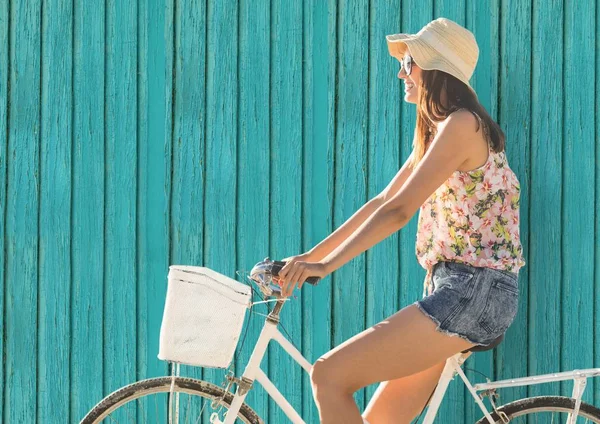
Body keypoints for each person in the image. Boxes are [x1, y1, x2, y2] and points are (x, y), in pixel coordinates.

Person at [277, 17, 525, 424]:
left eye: (409, 62)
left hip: (473, 291)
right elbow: (383, 200)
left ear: (436, 69)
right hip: (457, 289)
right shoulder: (441, 130)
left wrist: (323, 266)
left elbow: (399, 211)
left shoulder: (462, 124)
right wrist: (307, 258)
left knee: (329, 376)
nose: (401, 72)